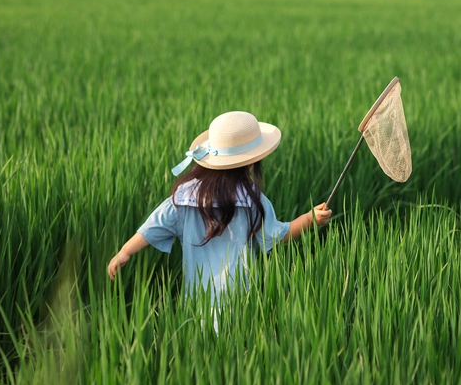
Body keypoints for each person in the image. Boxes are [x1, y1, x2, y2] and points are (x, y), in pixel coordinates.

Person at [107, 111, 332, 319]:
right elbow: (277, 235)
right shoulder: (252, 200)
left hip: (196, 306)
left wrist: (125, 251)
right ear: (252, 162)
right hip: (240, 305)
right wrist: (310, 219)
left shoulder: (185, 198)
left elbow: (153, 226)